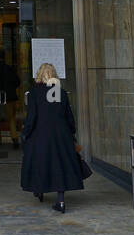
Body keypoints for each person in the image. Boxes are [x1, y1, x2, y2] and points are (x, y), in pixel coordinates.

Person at [20, 62, 86, 213]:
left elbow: (32, 117)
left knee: (39, 161)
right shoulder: (60, 92)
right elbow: (68, 116)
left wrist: (26, 133)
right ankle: (61, 201)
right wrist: (72, 132)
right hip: (61, 135)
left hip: (40, 134)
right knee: (59, 165)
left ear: (40, 75)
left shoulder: (34, 93)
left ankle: (39, 188)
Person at [0, 48, 20, 148]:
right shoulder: (9, 68)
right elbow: (17, 81)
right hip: (11, 97)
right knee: (11, 119)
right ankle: (15, 138)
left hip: (0, 97)